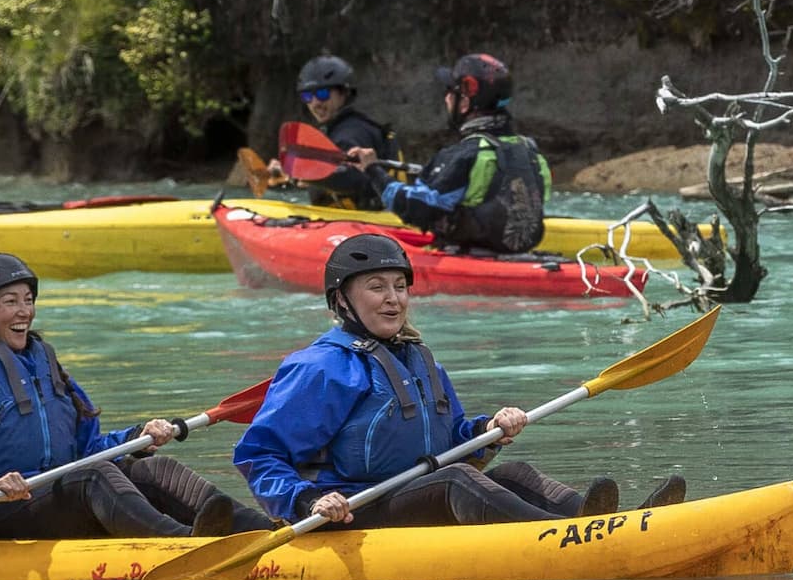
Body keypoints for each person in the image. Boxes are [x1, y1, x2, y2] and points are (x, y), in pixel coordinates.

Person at [230, 233, 681, 529]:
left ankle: (610, 524)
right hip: (354, 512)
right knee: (455, 481)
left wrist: (487, 432)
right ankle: (573, 539)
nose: (393, 300)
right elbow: (259, 454)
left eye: (399, 287)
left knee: (515, 473)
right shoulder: (320, 367)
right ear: (342, 301)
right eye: (376, 287)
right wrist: (307, 501)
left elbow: (453, 440)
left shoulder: (418, 359)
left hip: (415, 497)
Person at [0, 254, 250, 541]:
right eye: (10, 302)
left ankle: (266, 529)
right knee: (93, 478)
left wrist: (134, 438)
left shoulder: (43, 366)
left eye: (28, 301)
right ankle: (184, 544)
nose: (24, 312)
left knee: (153, 469)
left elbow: (86, 449)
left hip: (55, 497)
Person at [377, 53, 551, 256]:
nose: (446, 98)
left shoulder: (464, 155)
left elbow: (416, 208)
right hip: (519, 258)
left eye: (450, 91)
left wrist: (373, 172)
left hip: (466, 257)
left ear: (466, 101)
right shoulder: (531, 151)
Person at [283, 53, 389, 208]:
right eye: (307, 96)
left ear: (344, 93)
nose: (315, 103)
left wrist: (302, 171)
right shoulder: (340, 127)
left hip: (369, 223)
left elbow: (353, 177)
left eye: (322, 93)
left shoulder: (351, 132)